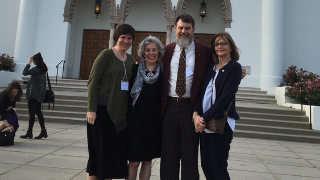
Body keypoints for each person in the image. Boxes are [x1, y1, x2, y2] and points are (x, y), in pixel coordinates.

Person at [160, 14, 246, 180]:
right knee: (169, 153)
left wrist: (238, 72)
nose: (183, 31)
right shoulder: (166, 51)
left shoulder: (204, 51)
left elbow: (223, 65)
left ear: (194, 30)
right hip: (169, 107)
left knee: (190, 154)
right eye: (180, 28)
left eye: (187, 28)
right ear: (175, 29)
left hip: (190, 108)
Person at [86, 24, 135, 180]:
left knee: (110, 157)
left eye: (129, 38)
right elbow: (92, 83)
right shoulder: (106, 55)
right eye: (123, 37)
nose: (126, 41)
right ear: (116, 37)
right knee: (97, 155)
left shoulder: (131, 60)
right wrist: (91, 109)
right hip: (101, 112)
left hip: (120, 116)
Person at [193, 32, 242, 180]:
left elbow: (225, 98)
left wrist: (203, 118)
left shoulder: (234, 67)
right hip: (204, 123)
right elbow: (200, 93)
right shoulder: (210, 67)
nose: (220, 46)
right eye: (216, 44)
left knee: (218, 167)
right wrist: (196, 114)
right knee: (206, 166)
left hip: (221, 122)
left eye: (223, 43)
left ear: (231, 47)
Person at [127, 36, 164, 180]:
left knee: (147, 160)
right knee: (134, 161)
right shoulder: (134, 69)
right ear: (143, 52)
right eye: (148, 50)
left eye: (154, 49)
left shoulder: (164, 71)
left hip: (154, 122)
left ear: (159, 51)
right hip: (135, 121)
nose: (151, 53)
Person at [20, 52, 48, 139]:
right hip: (39, 94)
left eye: (33, 61)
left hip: (33, 94)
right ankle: (43, 131)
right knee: (39, 113)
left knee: (32, 113)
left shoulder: (36, 69)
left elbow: (24, 72)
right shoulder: (44, 69)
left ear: (36, 61)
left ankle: (29, 132)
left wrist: (28, 63)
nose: (33, 62)